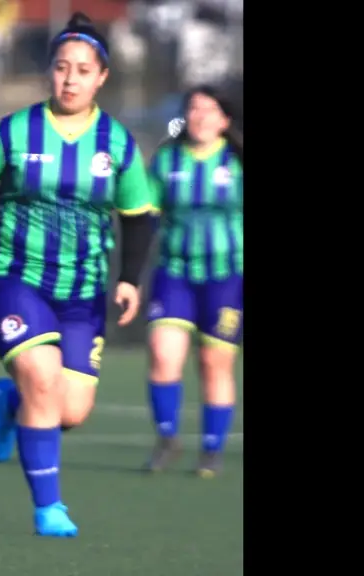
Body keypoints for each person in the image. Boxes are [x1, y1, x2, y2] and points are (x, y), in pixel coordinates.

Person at [0, 13, 156, 537]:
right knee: (42, 376)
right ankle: (48, 508)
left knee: (71, 411)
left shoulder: (118, 145)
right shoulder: (16, 130)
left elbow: (139, 217)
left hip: (82, 296)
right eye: (61, 68)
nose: (70, 79)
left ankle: (9, 400)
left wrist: (128, 279)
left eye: (82, 70)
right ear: (49, 72)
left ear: (101, 78)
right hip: (15, 280)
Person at [143, 86, 243, 478]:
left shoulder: (236, 163)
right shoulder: (167, 160)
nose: (200, 116)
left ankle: (211, 450)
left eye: (209, 109)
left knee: (213, 362)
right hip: (175, 273)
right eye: (194, 108)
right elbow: (146, 212)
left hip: (226, 277)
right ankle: (168, 439)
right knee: (163, 355)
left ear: (224, 120)